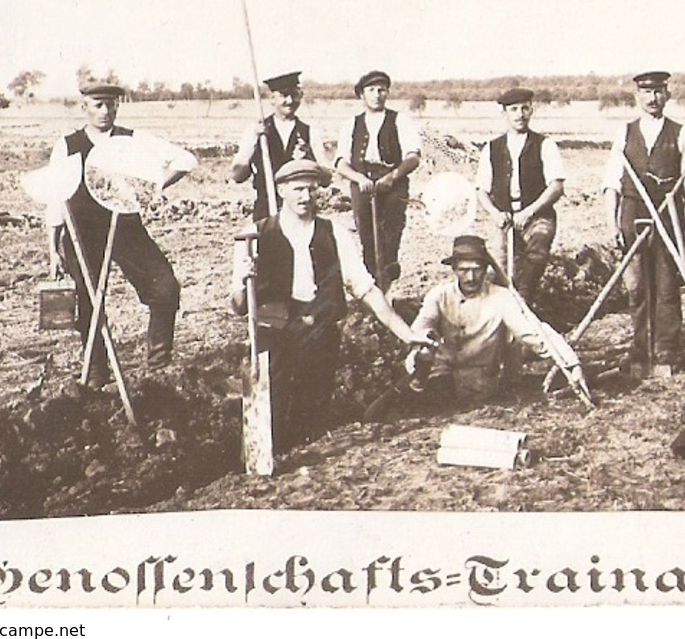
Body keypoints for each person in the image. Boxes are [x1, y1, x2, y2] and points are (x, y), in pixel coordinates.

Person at [229, 160, 430, 449]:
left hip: (319, 333)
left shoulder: (335, 234)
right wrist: (246, 278)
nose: (305, 197)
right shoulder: (255, 236)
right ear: (281, 190)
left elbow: (368, 290)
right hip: (273, 334)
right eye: (297, 189)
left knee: (311, 415)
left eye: (311, 190)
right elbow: (237, 306)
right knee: (270, 412)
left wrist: (407, 333)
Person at [46, 78, 197, 373]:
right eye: (98, 105)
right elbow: (54, 199)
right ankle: (97, 371)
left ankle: (159, 366)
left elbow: (185, 160)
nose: (105, 111)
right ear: (84, 107)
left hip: (126, 228)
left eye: (111, 105)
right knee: (88, 303)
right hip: (82, 233)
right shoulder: (67, 146)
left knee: (165, 287)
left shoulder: (132, 139)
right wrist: (52, 249)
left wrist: (151, 185)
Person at [365, 235, 585, 420]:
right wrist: (416, 354)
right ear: (454, 270)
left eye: (476, 270)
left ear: (486, 269)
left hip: (478, 386)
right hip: (436, 380)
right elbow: (421, 325)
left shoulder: (501, 298)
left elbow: (535, 332)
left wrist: (570, 362)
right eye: (463, 270)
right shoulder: (439, 295)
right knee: (394, 407)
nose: (470, 277)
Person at [600, 71, 685, 378]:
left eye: (658, 92)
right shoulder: (625, 132)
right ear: (637, 96)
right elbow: (611, 183)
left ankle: (666, 352)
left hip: (669, 211)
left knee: (667, 284)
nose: (652, 98)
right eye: (646, 92)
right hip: (633, 212)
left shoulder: (681, 133)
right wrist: (612, 224)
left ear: (667, 95)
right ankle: (640, 352)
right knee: (637, 286)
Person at [475, 86, 566, 309]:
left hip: (537, 216)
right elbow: (481, 191)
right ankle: (501, 315)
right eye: (514, 109)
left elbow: (556, 187)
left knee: (538, 246)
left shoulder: (545, 145)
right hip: (504, 219)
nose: (519, 114)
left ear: (531, 110)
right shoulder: (491, 148)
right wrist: (495, 214)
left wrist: (528, 212)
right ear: (504, 113)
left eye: (524, 108)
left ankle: (524, 303)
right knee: (501, 267)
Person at [333, 70, 423, 292]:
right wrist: (359, 178)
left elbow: (413, 156)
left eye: (382, 90)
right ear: (362, 95)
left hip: (393, 182)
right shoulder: (351, 124)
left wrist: (392, 177)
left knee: (391, 233)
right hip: (361, 181)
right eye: (371, 90)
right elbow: (340, 162)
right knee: (367, 235)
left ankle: (387, 287)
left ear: (387, 93)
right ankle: (371, 290)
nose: (377, 95)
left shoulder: (400, 120)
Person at [229, 70, 330, 221]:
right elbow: (237, 176)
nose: (290, 100)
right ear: (272, 99)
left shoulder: (310, 132)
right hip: (266, 209)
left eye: (294, 94)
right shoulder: (255, 131)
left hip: (302, 211)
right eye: (283, 95)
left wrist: (310, 163)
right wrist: (254, 142)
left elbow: (326, 179)